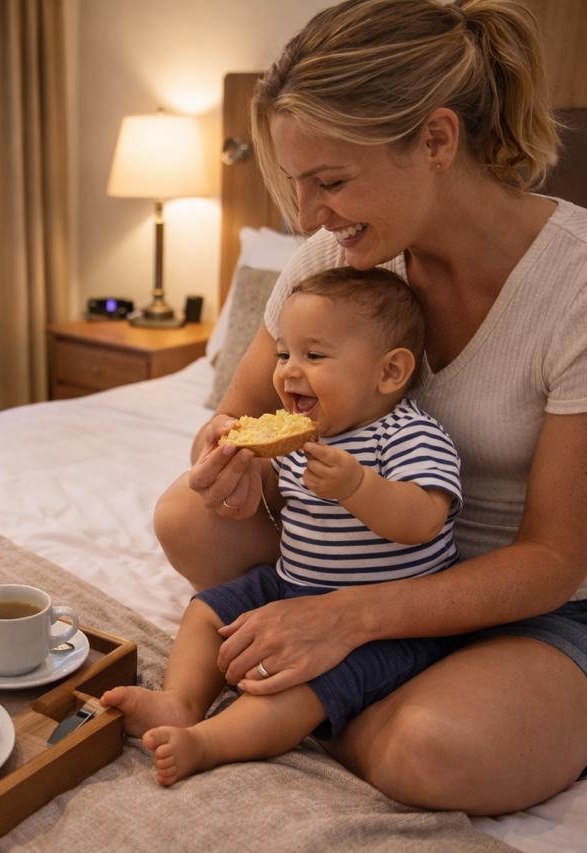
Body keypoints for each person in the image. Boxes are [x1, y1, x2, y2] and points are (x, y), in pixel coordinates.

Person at [151, 0, 587, 815]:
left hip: (546, 613)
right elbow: (236, 418)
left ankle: (328, 705)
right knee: (186, 516)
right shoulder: (333, 258)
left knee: (433, 751)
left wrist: (345, 618)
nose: (307, 217)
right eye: (296, 184)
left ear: (436, 141)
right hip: (364, 561)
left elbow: (553, 560)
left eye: (331, 181)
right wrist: (225, 462)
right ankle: (350, 690)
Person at [103, 266, 465, 785]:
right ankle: (180, 702)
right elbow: (267, 496)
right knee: (208, 610)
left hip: (384, 618)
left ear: (389, 373)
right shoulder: (299, 436)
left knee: (302, 685)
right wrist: (235, 458)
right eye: (284, 354)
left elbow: (424, 520)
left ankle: (209, 742)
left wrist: (358, 487)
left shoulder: (407, 435)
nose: (290, 372)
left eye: (314, 356)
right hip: (294, 584)